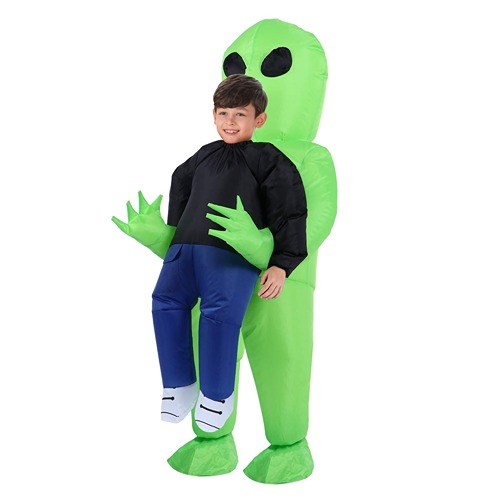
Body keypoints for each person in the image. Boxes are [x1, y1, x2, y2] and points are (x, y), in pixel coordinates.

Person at [152, 74, 308, 432]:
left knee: (219, 316)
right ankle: (179, 385)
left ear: (259, 119)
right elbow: (180, 180)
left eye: (240, 114)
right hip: (186, 248)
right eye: (223, 113)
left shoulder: (267, 158)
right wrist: (174, 232)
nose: (230, 122)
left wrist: (282, 263)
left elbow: (290, 208)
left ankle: (216, 396)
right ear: (213, 115)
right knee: (165, 303)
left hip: (230, 253)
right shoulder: (205, 153)